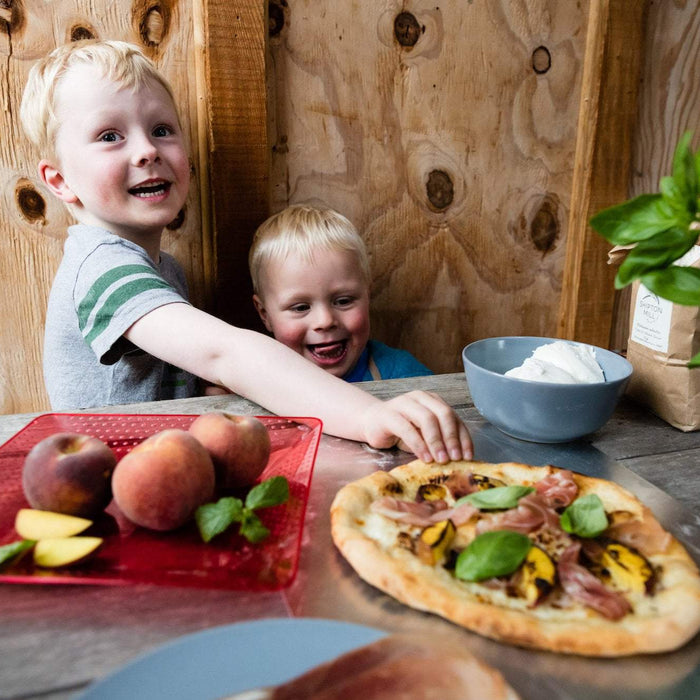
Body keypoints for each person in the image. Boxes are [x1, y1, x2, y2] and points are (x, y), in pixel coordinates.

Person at [20, 39, 472, 464]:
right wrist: (368, 415)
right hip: (113, 491)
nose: (146, 151)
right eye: (109, 136)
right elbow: (225, 353)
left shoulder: (164, 270)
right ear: (59, 181)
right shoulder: (102, 270)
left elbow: (195, 375)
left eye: (161, 129)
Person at [249, 204, 433, 382]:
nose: (325, 321)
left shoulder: (407, 377)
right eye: (301, 307)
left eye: (343, 301)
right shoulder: (250, 383)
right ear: (265, 314)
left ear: (367, 296)